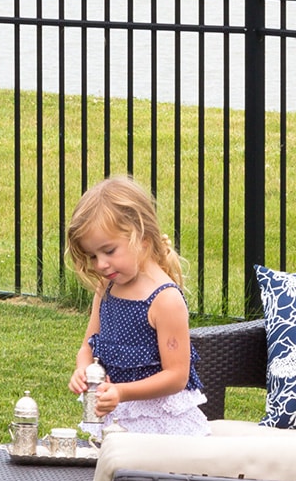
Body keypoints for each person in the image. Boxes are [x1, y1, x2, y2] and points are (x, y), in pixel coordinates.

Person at [66, 177, 210, 436]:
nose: (100, 264)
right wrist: (82, 370)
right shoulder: (106, 289)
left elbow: (176, 376)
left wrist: (122, 392)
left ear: (141, 236)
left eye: (109, 251)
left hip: (162, 430)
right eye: (93, 256)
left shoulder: (164, 299)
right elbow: (87, 347)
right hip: (117, 422)